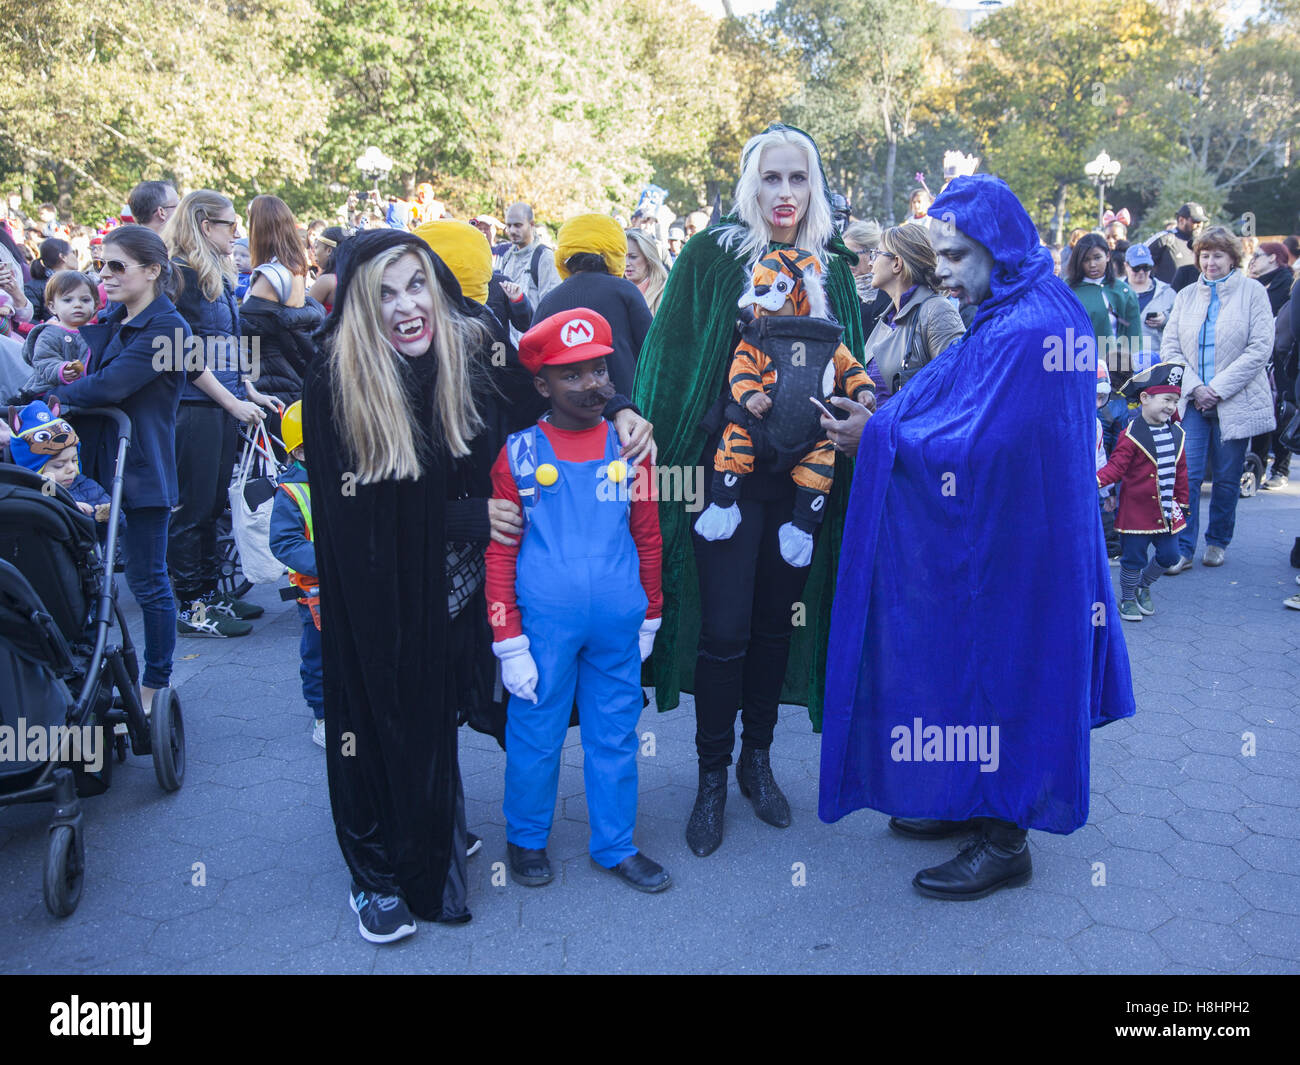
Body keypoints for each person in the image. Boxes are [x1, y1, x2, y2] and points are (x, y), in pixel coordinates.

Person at [818, 174, 1135, 900]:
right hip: (1000, 539)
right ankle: (973, 798)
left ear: (999, 245)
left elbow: (983, 445)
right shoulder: (1015, 307)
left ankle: (1005, 835)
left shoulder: (1035, 327)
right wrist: (887, 420)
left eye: (958, 255)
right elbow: (958, 403)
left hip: (1025, 550)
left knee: (1013, 672)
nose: (946, 270)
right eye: (940, 255)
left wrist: (878, 440)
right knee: (978, 667)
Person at [632, 123, 868, 858]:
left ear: (815, 187)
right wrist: (641, 438)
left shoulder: (833, 266)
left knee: (775, 622)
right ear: (750, 184)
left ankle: (755, 762)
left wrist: (862, 420)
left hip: (805, 481)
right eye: (773, 179)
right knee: (726, 627)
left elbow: (857, 367)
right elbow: (666, 362)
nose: (786, 194)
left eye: (799, 179)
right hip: (726, 478)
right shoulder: (710, 256)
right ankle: (709, 777)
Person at [302, 228, 517, 942]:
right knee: (383, 716)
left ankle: (433, 819)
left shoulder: (468, 342)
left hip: (459, 582)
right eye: (384, 293)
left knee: (451, 708)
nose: (406, 306)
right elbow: (363, 524)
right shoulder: (336, 377)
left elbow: (534, 396)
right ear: (360, 307)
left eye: (416, 284)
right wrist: (465, 516)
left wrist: (618, 412)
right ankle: (377, 872)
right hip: (383, 596)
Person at [487, 308, 669, 893]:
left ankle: (615, 845)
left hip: (618, 625)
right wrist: (506, 638)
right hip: (542, 631)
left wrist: (653, 612)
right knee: (535, 734)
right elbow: (499, 553)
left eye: (599, 369)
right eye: (572, 375)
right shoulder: (516, 454)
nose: (592, 384)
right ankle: (526, 837)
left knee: (615, 734)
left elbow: (648, 533)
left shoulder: (632, 447)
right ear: (542, 385)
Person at [55, 225, 191, 715]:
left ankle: (156, 682)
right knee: (91, 577)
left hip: (139, 469)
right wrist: (71, 378)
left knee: (147, 579)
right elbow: (98, 379)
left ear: (152, 271)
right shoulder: (114, 317)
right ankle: (95, 674)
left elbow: (113, 386)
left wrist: (54, 396)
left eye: (117, 266)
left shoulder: (170, 327)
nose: (104, 275)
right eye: (100, 264)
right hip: (92, 466)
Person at [694, 247, 874, 567]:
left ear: (803, 296)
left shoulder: (827, 340)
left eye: (770, 303)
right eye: (758, 304)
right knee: (735, 438)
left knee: (821, 464)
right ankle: (723, 503)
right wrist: (749, 395)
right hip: (758, 426)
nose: (762, 311)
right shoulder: (756, 337)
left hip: (811, 433)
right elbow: (742, 368)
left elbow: (850, 368)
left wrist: (862, 390)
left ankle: (802, 528)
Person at [164, 190, 276, 635]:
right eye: (230, 223)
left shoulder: (214, 272)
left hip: (221, 403)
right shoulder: (179, 275)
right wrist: (232, 400)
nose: (238, 231)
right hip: (194, 408)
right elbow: (181, 352)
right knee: (193, 510)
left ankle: (211, 594)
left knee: (212, 508)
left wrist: (249, 388)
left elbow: (230, 338)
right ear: (203, 225)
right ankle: (192, 606)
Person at [1160, 225, 1275, 572]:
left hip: (1234, 399)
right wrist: (1196, 387)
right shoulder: (1186, 296)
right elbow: (1170, 347)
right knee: (1189, 476)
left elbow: (1259, 348)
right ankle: (1183, 547)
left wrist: (1218, 388)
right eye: (1205, 255)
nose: (1210, 262)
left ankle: (1218, 540)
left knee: (1226, 478)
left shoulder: (1253, 292)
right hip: (1194, 400)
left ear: (1232, 258)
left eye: (1218, 255)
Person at [1096, 363, 1190, 622]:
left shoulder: (1177, 434)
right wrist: (1093, 481)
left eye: (1174, 401)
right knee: (1133, 558)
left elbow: (1181, 473)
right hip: (1136, 511)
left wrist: (1184, 504)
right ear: (1145, 399)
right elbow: (1115, 467)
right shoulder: (1131, 433)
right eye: (1166, 399)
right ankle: (1127, 598)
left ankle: (1143, 586)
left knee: (1170, 556)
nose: (1171, 406)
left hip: (1168, 512)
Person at [533, 215, 652, 398]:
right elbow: (651, 350)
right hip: (629, 410)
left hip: (571, 412)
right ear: (615, 250)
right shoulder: (625, 291)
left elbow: (535, 360)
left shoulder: (549, 302)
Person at [239, 194, 325, 446]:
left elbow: (249, 327)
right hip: (288, 373)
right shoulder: (293, 267)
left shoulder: (270, 275)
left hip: (270, 378)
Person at [267, 400, 324, 749]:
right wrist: (331, 561)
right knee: (318, 655)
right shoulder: (291, 492)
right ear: (300, 451)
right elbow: (285, 543)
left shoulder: (342, 479)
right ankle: (323, 713)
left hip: (352, 585)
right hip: (316, 593)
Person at [861, 224, 965, 401]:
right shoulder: (887, 318)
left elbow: (957, 389)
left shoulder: (937, 311)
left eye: (877, 254)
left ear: (897, 263)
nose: (871, 262)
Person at [1068, 231, 1143, 421]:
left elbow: (1134, 338)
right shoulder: (1067, 290)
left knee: (1116, 432)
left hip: (1117, 375)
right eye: (1086, 259)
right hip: (1078, 370)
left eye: (1097, 258)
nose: (1092, 264)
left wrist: (1129, 376)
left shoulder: (1124, 291)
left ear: (1108, 256)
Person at [17, 271, 95, 394]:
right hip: (50, 392)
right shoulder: (50, 333)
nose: (78, 305)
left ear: (95, 305)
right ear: (52, 307)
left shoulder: (97, 332)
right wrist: (60, 370)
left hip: (86, 391)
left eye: (85, 300)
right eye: (68, 300)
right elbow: (43, 361)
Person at [500, 202, 561, 339]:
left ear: (532, 224)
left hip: (536, 342)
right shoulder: (507, 257)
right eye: (509, 225)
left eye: (518, 225)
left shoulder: (544, 257)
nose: (512, 231)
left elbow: (551, 309)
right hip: (510, 347)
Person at [841, 219, 891, 367]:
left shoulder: (889, 291)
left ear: (871, 254)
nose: (846, 260)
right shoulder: (841, 291)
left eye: (851, 254)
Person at [1124, 243, 1174, 363]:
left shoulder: (1168, 292)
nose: (1141, 272)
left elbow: (1181, 324)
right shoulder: (1114, 291)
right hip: (1123, 362)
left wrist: (1166, 319)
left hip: (1157, 360)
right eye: (1136, 267)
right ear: (1126, 266)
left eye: (1146, 267)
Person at [1148, 202, 1206, 285]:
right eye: (1195, 221)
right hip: (1168, 295)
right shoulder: (1164, 239)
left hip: (1194, 295)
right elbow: (1138, 257)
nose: (1199, 225)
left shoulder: (1203, 244)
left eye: (1201, 221)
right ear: (1181, 220)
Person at [26, 238, 81, 321]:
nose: (76, 257)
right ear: (63, 257)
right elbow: (29, 320)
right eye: (73, 252)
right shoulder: (33, 288)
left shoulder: (81, 283)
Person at [623, 228, 668, 315]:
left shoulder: (664, 291)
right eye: (623, 257)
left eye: (633, 257)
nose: (626, 263)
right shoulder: (617, 289)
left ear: (648, 258)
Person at [307, 226, 350, 313]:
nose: (315, 252)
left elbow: (305, 313)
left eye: (317, 247)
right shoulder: (353, 277)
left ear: (329, 251)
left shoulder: (327, 281)